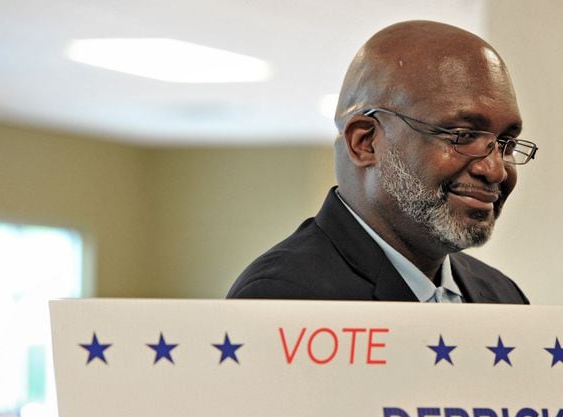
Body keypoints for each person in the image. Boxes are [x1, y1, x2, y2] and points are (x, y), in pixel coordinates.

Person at [227, 20, 536, 303]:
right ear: (365, 142)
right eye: (461, 135)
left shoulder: (502, 296)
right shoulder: (284, 298)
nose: (495, 169)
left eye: (506, 144)